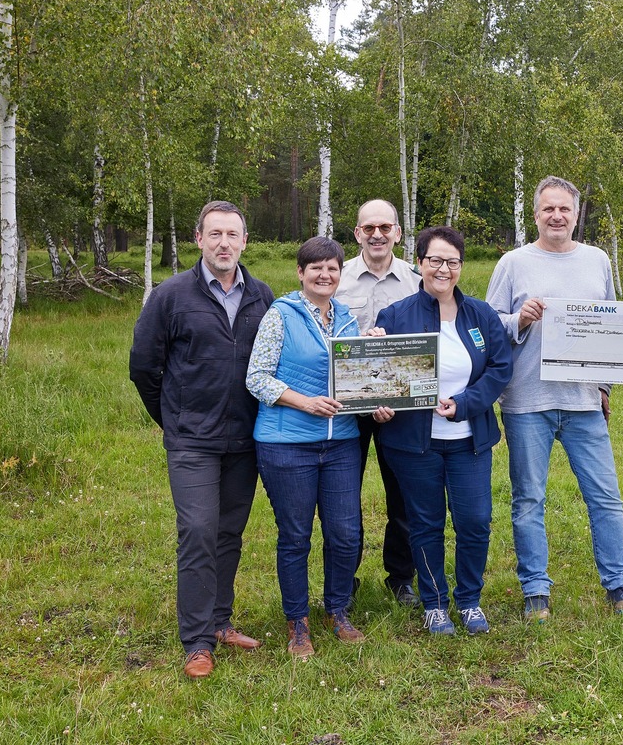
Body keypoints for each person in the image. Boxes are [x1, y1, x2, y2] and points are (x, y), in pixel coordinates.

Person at [485, 175, 623, 621]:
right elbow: (487, 325)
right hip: (526, 400)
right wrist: (520, 318)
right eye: (548, 209)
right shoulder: (513, 263)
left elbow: (610, 327)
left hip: (583, 403)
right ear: (535, 215)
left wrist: (606, 387)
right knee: (529, 498)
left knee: (606, 496)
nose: (556, 216)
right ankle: (535, 588)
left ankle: (619, 583)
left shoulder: (596, 260)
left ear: (576, 215)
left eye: (564, 209)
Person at [129, 200, 274, 680]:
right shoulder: (171, 296)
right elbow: (144, 367)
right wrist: (173, 419)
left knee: (229, 532)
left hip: (246, 440)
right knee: (197, 531)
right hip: (192, 441)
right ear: (199, 239)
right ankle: (195, 641)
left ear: (245, 241)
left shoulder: (263, 296)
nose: (224, 243)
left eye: (233, 235)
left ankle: (220, 621)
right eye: (215, 234)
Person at [370, 226, 513, 636]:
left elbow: (501, 369)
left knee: (475, 520)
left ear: (461, 267)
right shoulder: (395, 317)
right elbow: (380, 378)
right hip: (415, 444)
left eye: (452, 261)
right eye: (435, 260)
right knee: (425, 522)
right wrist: (379, 406)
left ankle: (469, 600)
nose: (443, 269)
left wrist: (463, 405)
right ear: (419, 264)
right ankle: (434, 603)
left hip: (469, 440)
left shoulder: (481, 315)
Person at [245, 237, 366, 659]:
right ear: (300, 273)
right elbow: (256, 377)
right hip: (286, 444)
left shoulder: (349, 319)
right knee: (296, 536)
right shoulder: (280, 315)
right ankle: (297, 622)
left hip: (342, 444)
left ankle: (338, 609)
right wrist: (305, 402)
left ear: (340, 273)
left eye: (332, 268)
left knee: (346, 534)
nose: (324, 274)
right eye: (315, 267)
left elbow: (359, 378)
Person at [334, 199, 421, 607]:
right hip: (348, 404)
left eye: (385, 227)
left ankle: (400, 577)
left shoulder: (417, 279)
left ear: (398, 233)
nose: (377, 235)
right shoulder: (338, 278)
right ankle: (342, 579)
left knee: (403, 495)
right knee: (342, 496)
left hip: (399, 404)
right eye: (368, 228)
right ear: (357, 234)